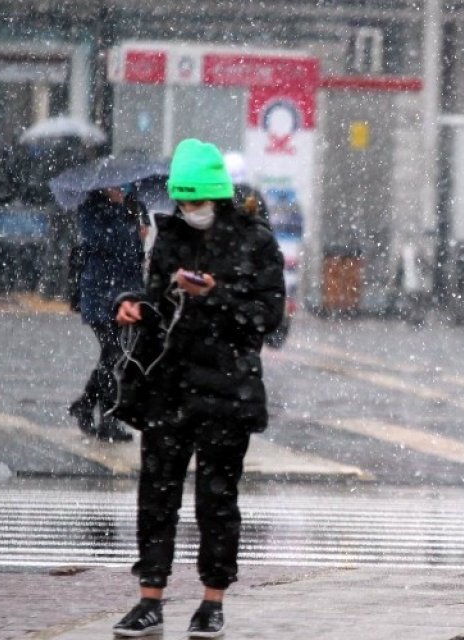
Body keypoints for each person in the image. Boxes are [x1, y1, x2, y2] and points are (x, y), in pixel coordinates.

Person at [111, 139, 285, 638]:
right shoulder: (170, 238)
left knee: (218, 500)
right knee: (156, 495)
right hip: (169, 386)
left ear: (218, 196)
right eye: (183, 203)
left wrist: (216, 296)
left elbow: (267, 319)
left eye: (197, 202)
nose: (191, 211)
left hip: (228, 390)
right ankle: (149, 598)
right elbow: (157, 299)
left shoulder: (255, 242)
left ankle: (212, 602)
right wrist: (136, 305)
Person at [67, 186, 143, 443]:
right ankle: (108, 418)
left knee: (115, 354)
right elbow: (101, 242)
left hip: (125, 293)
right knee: (114, 354)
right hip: (101, 292)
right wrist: (126, 225)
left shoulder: (132, 209)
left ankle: (87, 404)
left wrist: (139, 234)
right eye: (115, 187)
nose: (120, 191)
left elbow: (134, 257)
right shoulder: (93, 210)